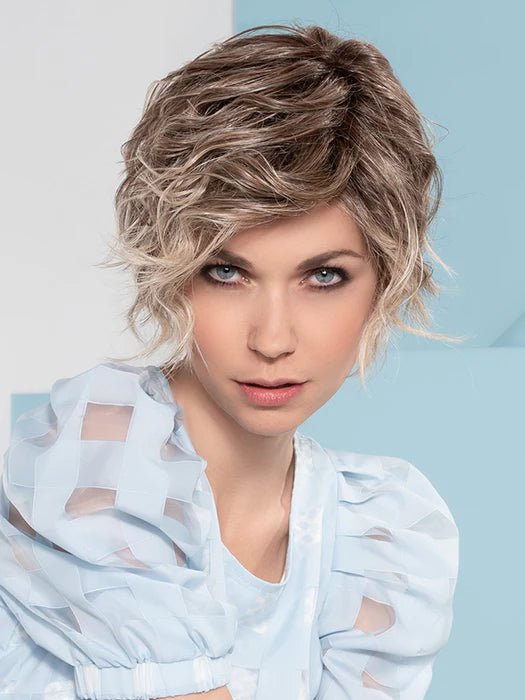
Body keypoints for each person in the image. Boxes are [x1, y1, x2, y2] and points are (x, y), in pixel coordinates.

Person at [0, 23, 461, 700]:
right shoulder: (96, 460)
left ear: (384, 284)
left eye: (323, 277)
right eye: (226, 272)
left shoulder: (381, 538)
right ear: (171, 270)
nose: (272, 339)